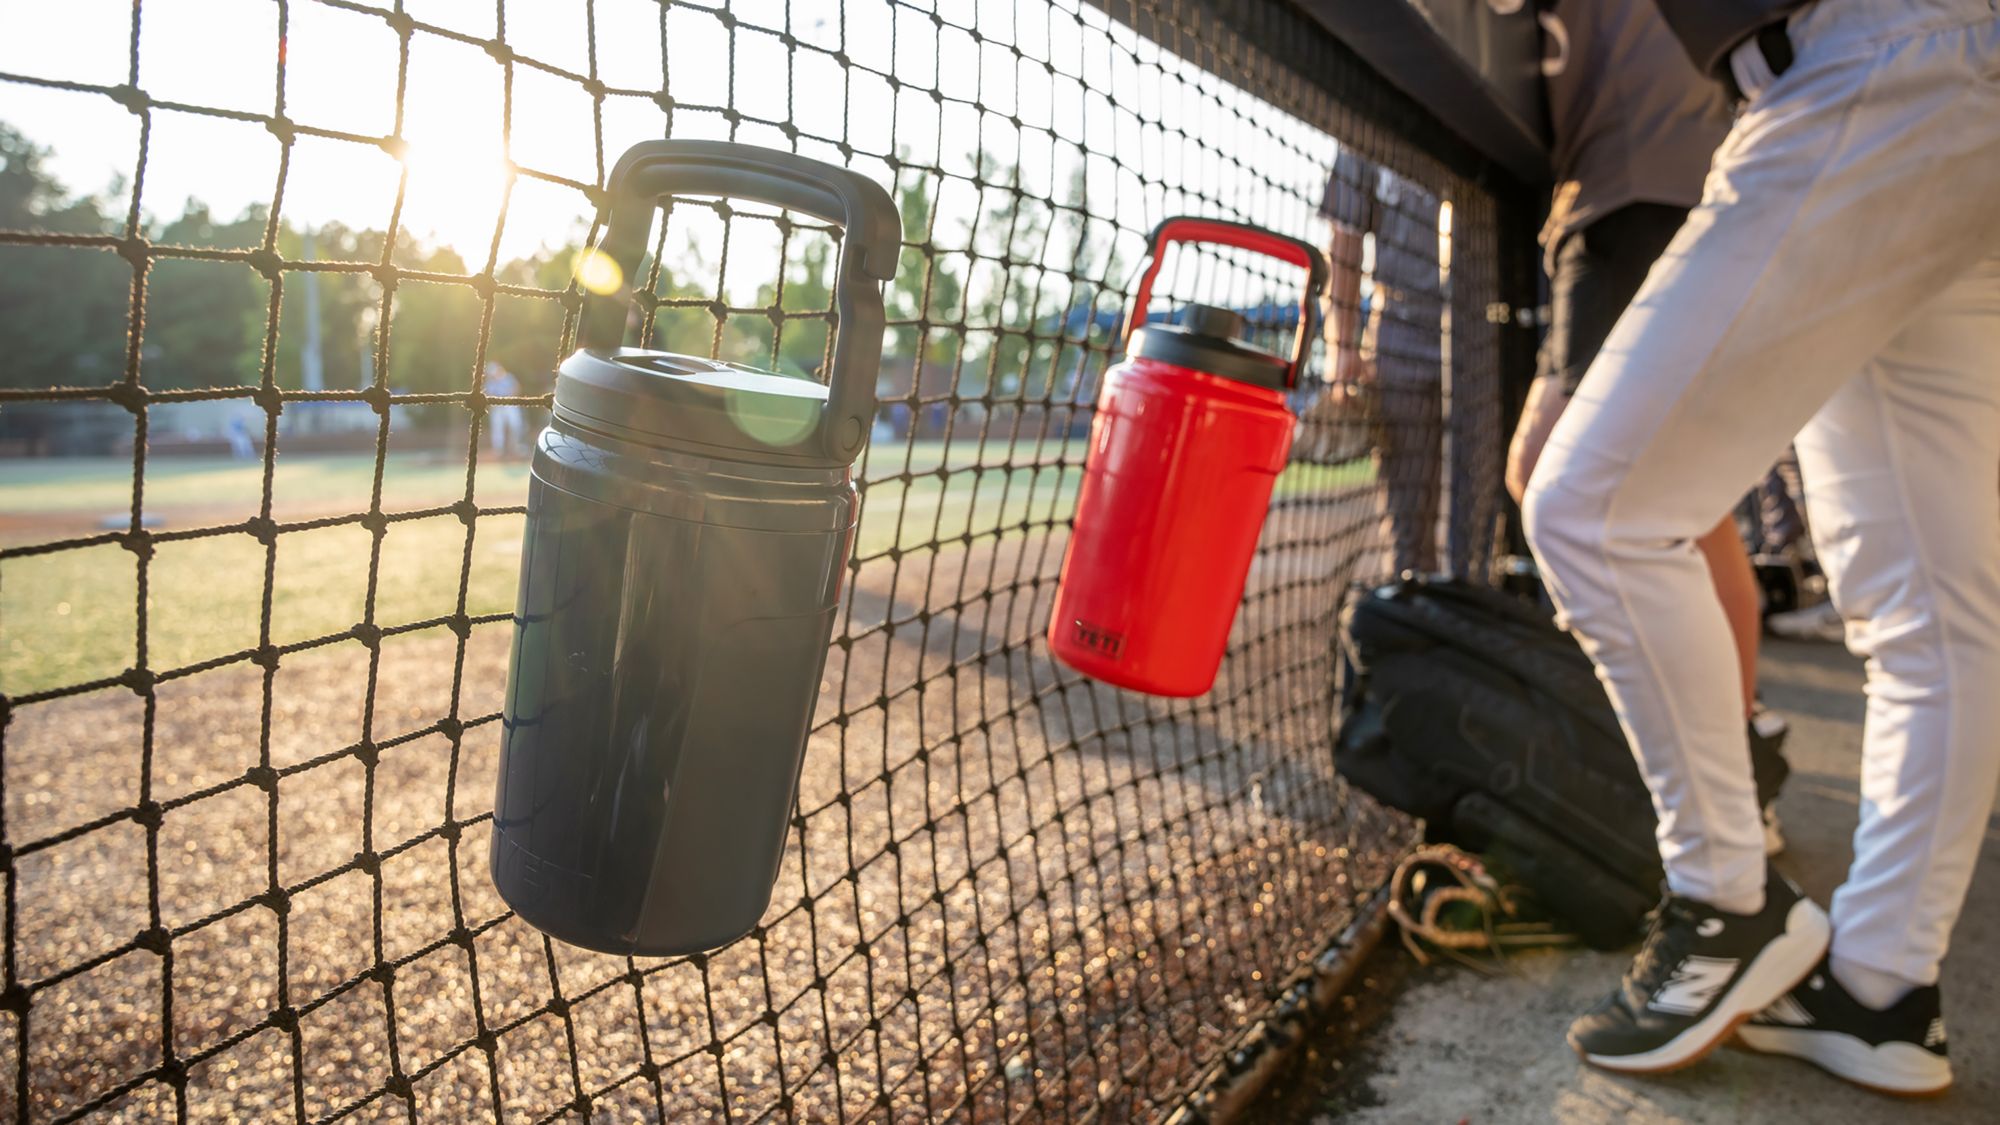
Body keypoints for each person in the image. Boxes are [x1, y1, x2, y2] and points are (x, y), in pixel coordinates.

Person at [1523, 0, 1998, 1094]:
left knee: (1589, 511)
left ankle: (1722, 905)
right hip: (1936, 73)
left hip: (1875, 62)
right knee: (1929, 609)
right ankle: (1877, 991)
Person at [1507, 0, 1787, 788]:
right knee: (1685, 501)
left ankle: (1719, 756)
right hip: (1647, 185)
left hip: (1639, 189)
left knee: (1554, 475)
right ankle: (1736, 746)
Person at [1314, 150, 1449, 577]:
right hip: (1400, 333)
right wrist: (1342, 347)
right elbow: (1344, 244)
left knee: (1485, 509)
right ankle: (1413, 618)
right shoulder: (1364, 128)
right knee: (1407, 522)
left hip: (1483, 327)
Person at [485, 361, 523, 458]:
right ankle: (499, 450)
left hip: (510, 404)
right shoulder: (489, 383)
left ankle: (515, 447)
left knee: (516, 425)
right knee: (497, 428)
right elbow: (488, 396)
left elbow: (516, 388)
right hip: (497, 407)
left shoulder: (508, 377)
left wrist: (510, 397)